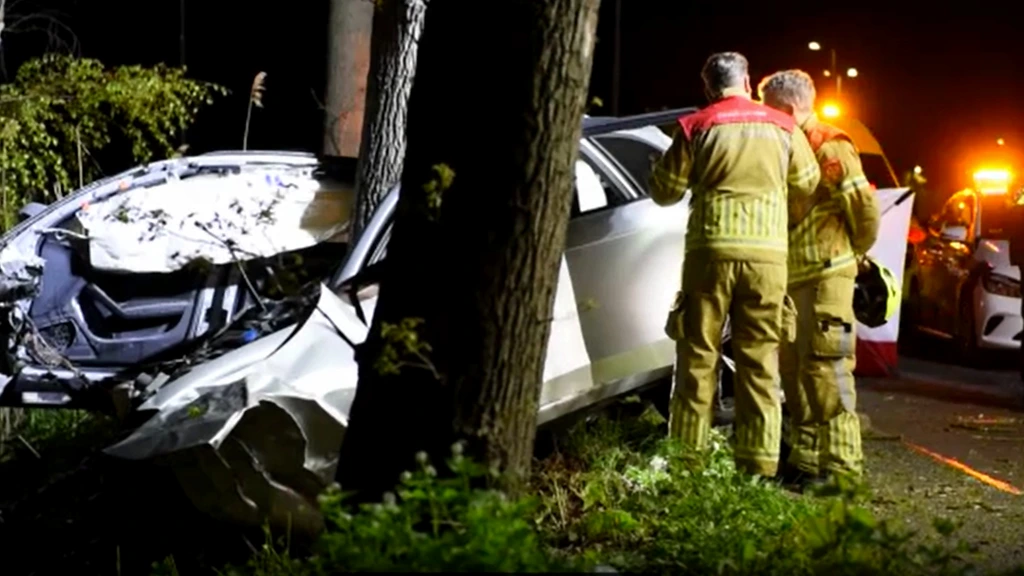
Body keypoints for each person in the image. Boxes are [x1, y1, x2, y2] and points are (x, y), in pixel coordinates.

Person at [649, 52, 820, 479]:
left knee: (697, 358)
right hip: (767, 259)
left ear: (709, 88)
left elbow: (665, 192)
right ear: (748, 83)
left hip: (709, 255)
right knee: (760, 361)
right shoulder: (782, 126)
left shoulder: (696, 126)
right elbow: (808, 181)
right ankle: (758, 468)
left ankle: (687, 464)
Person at [758, 69, 881, 489]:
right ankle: (807, 461)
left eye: (769, 109)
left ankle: (844, 470)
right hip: (793, 278)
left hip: (828, 274)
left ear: (790, 109)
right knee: (794, 373)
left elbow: (863, 209)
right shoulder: (785, 145)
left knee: (827, 370)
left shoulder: (831, 146)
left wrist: (854, 253)